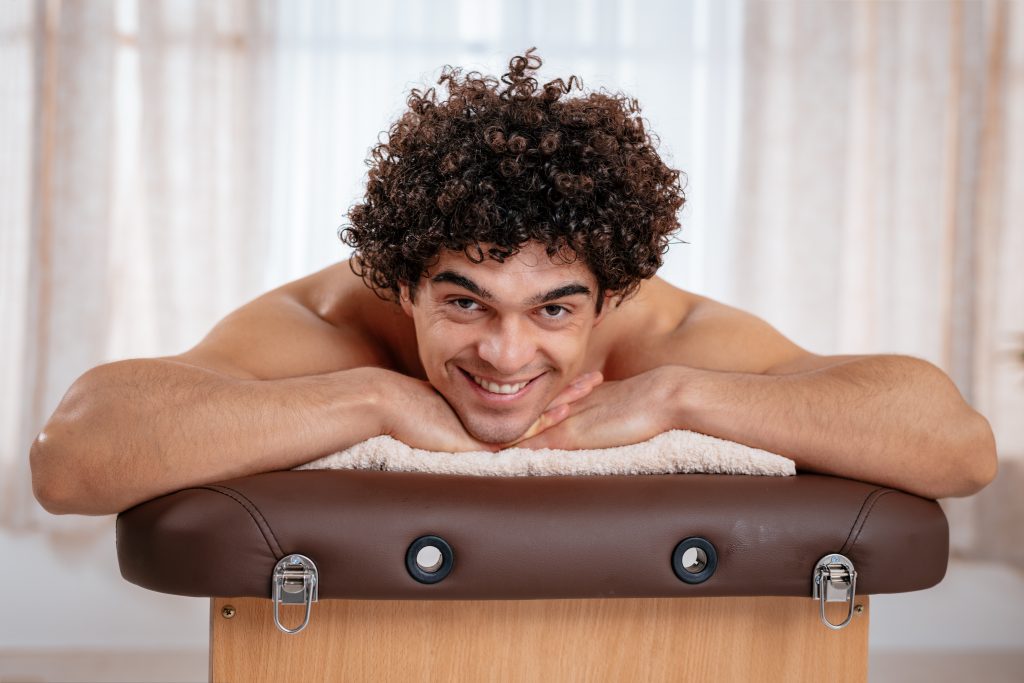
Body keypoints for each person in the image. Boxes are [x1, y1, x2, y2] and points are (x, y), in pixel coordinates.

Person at [30, 49, 996, 516]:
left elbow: (958, 447)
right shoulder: (325, 326)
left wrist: (675, 396)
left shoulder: (668, 337)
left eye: (554, 310)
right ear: (401, 282)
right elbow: (72, 456)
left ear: (612, 296)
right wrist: (371, 395)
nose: (504, 352)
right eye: (464, 302)